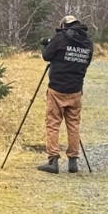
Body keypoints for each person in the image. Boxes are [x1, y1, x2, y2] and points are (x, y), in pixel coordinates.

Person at [38, 15, 94, 174]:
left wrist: (46, 45)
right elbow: (87, 62)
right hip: (76, 89)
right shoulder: (87, 42)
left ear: (64, 25)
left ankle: (53, 160)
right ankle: (73, 162)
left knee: (53, 123)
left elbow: (47, 56)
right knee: (73, 125)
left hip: (57, 88)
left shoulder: (60, 37)